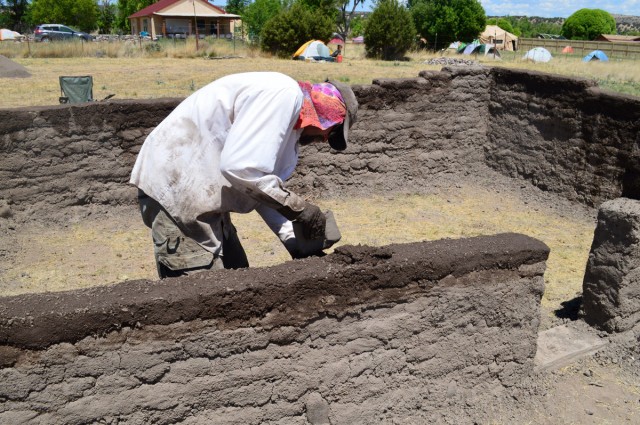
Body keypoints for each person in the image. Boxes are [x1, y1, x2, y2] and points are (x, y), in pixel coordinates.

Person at [129, 72, 358, 278]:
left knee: (239, 280)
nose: (326, 139)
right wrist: (299, 208)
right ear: (328, 115)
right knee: (207, 299)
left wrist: (294, 241)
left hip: (202, 196)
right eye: (333, 131)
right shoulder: (284, 95)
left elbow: (259, 190)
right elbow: (241, 168)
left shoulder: (289, 128)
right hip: (176, 189)